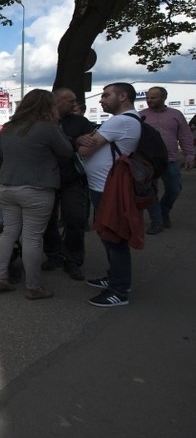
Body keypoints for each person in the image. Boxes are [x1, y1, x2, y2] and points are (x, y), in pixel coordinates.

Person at [0, 89, 73, 300]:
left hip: (8, 187)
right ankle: (33, 287)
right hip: (37, 188)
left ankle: (0, 278)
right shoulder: (48, 128)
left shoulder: (8, 128)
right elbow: (67, 151)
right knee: (32, 238)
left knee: (8, 233)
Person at [76, 83, 143, 307]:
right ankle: (115, 277)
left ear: (123, 96)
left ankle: (119, 290)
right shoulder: (128, 120)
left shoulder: (120, 121)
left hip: (109, 189)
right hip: (105, 186)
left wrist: (81, 140)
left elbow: (85, 149)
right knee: (109, 235)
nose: (101, 99)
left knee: (114, 238)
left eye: (106, 95)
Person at [41, 88, 96, 280]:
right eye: (70, 101)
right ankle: (53, 254)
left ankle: (73, 259)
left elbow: (88, 145)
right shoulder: (42, 122)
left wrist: (79, 143)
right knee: (47, 220)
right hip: (47, 178)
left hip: (72, 179)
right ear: (56, 101)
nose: (74, 104)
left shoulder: (81, 122)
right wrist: (74, 141)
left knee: (75, 219)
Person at [140, 86, 194, 234]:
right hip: (148, 161)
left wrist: (190, 155)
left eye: (153, 97)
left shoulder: (176, 114)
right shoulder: (141, 116)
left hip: (170, 160)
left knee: (174, 189)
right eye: (148, 97)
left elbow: (185, 135)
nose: (149, 100)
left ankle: (164, 211)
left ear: (163, 97)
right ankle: (157, 222)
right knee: (150, 191)